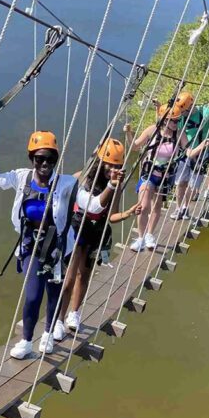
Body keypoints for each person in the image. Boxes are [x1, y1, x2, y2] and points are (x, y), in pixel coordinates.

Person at [0, 131, 97, 359]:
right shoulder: (22, 177)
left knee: (54, 293)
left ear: (56, 159)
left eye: (50, 158)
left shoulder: (66, 183)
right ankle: (26, 341)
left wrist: (112, 186)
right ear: (32, 158)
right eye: (39, 158)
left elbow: (92, 205)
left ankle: (47, 335)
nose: (45, 163)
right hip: (30, 245)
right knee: (33, 295)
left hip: (56, 246)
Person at [63, 138, 140, 332]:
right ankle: (58, 319)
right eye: (109, 165)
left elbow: (111, 215)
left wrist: (128, 214)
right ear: (100, 162)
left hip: (95, 233)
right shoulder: (82, 178)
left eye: (117, 166)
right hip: (76, 229)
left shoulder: (116, 186)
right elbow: (64, 198)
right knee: (69, 277)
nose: (112, 170)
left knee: (84, 274)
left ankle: (75, 313)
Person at [126, 103, 188, 252]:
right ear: (165, 120)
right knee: (143, 206)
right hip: (149, 174)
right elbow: (134, 147)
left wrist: (204, 145)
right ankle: (140, 238)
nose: (176, 123)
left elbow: (188, 151)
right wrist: (128, 133)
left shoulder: (179, 134)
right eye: (174, 120)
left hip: (165, 177)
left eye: (178, 120)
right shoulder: (152, 130)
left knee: (157, 206)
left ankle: (149, 235)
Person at [171, 91, 209, 220]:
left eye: (186, 111)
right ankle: (178, 208)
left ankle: (186, 208)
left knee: (193, 186)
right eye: (182, 112)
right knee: (181, 182)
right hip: (185, 151)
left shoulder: (205, 112)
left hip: (201, 154)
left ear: (192, 105)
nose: (183, 115)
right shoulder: (181, 116)